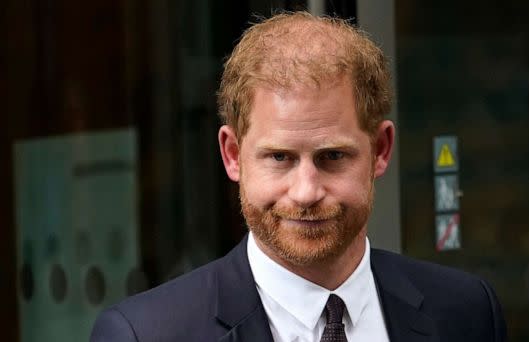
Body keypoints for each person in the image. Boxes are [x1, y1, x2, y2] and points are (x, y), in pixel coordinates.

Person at [90, 11, 507, 342]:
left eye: (332, 156)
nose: (306, 191)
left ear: (380, 150)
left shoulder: (465, 313)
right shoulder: (145, 336)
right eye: (279, 158)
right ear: (233, 155)